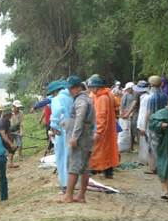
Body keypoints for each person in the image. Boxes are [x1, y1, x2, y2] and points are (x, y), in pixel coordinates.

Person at [62, 76, 96, 204]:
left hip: (81, 137)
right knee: (84, 167)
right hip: (87, 136)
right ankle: (81, 195)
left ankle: (69, 195)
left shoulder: (81, 101)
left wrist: (74, 137)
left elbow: (80, 119)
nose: (69, 92)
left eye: (70, 89)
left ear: (76, 88)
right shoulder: (87, 98)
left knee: (74, 166)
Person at [87, 75, 120, 178]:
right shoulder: (109, 94)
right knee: (107, 151)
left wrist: (98, 131)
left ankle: (95, 169)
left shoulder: (102, 98)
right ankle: (108, 171)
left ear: (97, 87)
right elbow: (116, 105)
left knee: (98, 150)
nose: (90, 90)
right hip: (109, 128)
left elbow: (101, 116)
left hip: (102, 129)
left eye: (91, 87)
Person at [137, 75, 167, 173]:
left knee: (152, 147)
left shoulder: (151, 97)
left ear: (151, 85)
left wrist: (144, 127)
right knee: (162, 146)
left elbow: (148, 113)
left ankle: (153, 168)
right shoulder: (165, 96)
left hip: (153, 125)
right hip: (163, 124)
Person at [48, 80, 72, 190]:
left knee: (61, 156)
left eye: (52, 93)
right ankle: (72, 183)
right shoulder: (71, 98)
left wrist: (53, 125)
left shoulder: (57, 99)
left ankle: (64, 184)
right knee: (70, 156)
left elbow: (57, 110)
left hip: (61, 130)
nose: (52, 95)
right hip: (72, 129)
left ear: (55, 91)